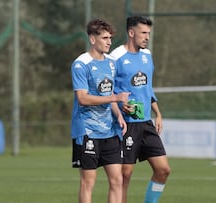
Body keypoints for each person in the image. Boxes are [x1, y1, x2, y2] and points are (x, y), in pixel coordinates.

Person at [110, 15, 171, 203]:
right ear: (131, 32)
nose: (147, 37)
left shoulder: (147, 55)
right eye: (143, 33)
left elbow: (147, 88)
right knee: (125, 174)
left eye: (149, 33)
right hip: (126, 125)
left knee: (163, 170)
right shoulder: (115, 57)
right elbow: (107, 89)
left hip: (146, 122)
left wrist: (158, 114)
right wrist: (121, 106)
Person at [71, 19, 130, 203]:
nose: (109, 42)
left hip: (109, 130)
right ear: (92, 39)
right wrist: (115, 99)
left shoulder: (111, 63)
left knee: (117, 179)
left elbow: (109, 92)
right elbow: (82, 98)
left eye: (110, 38)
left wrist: (119, 115)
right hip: (87, 131)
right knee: (88, 182)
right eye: (104, 38)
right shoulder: (81, 64)